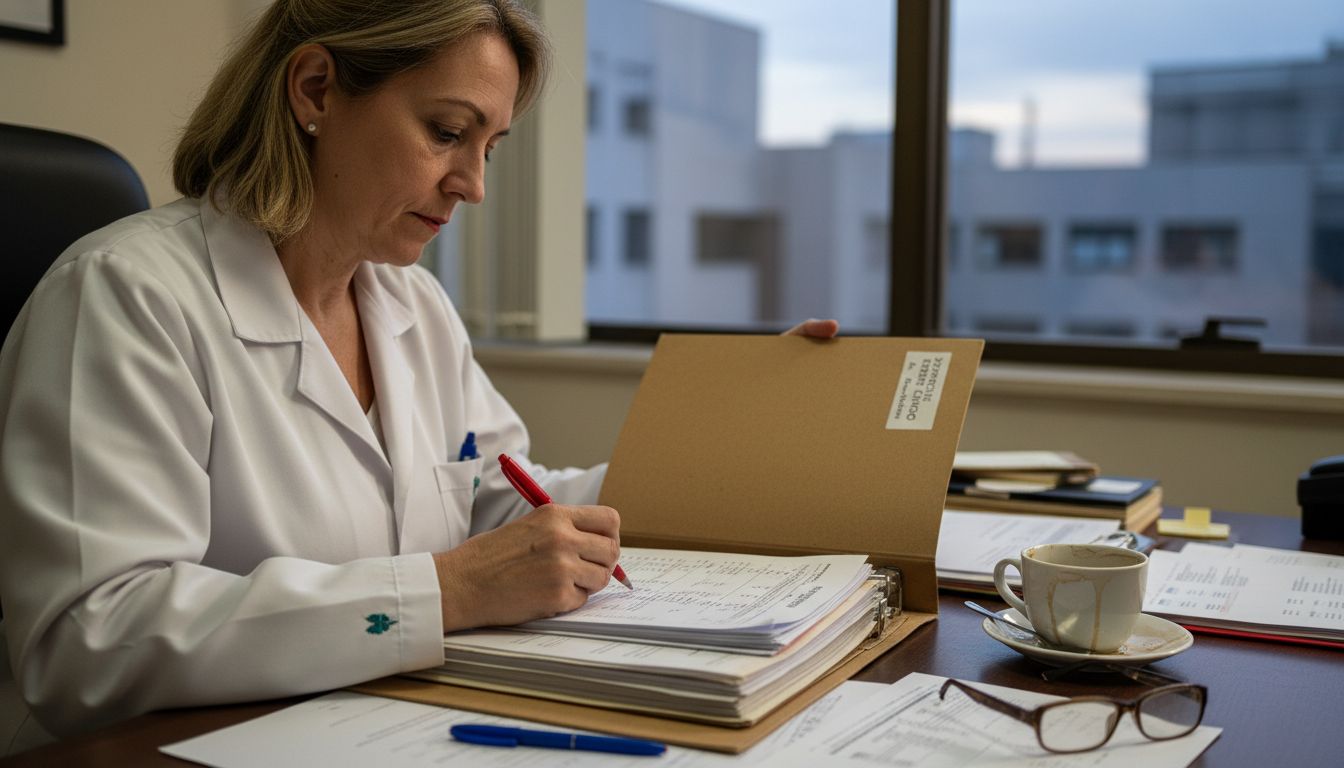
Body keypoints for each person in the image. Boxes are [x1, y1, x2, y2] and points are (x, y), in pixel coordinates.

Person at [0, 0, 837, 744]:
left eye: (489, 146)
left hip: (379, 720)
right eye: (446, 132)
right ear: (317, 90)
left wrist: (742, 426)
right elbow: (86, 642)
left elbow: (508, 497)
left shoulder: (413, 304)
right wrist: (445, 590)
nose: (472, 185)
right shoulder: (125, 294)